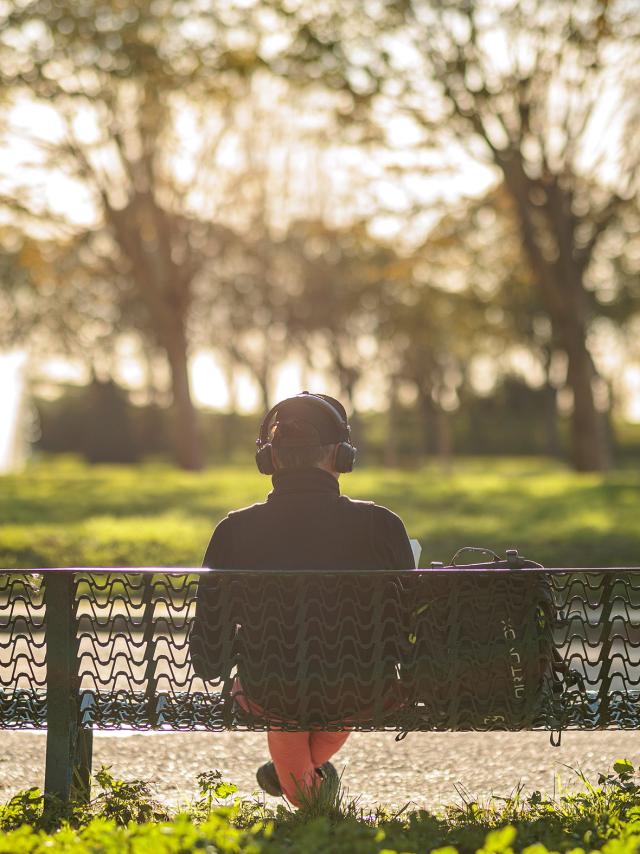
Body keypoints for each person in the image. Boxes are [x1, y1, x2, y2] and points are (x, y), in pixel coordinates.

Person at [190, 391, 415, 806]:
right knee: (342, 688)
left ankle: (300, 787)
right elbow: (409, 622)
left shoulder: (234, 530)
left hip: (266, 689)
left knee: (283, 696)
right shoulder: (381, 525)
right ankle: (304, 790)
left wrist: (217, 666)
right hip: (361, 688)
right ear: (341, 457)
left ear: (269, 460)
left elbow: (210, 634)